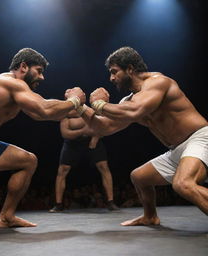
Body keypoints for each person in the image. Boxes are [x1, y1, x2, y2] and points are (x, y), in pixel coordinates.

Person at [66, 46, 208, 226]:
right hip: (177, 150)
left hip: (200, 138)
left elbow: (135, 111)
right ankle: (150, 216)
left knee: (183, 184)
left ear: (130, 69)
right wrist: (79, 106)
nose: (111, 78)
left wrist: (98, 103)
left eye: (114, 72)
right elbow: (103, 127)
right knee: (140, 177)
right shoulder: (128, 101)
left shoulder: (158, 82)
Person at [0, 48, 85, 228]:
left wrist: (82, 106)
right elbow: (44, 109)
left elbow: (42, 115)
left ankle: (7, 217)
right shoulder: (10, 83)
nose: (42, 77)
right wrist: (75, 100)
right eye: (39, 71)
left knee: (27, 161)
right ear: (23, 66)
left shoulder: (19, 91)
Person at [49, 109, 119, 212]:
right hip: (72, 144)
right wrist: (83, 131)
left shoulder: (88, 111)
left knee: (103, 166)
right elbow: (65, 133)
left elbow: (101, 126)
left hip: (92, 140)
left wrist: (95, 138)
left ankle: (110, 202)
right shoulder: (66, 114)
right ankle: (58, 204)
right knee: (63, 170)